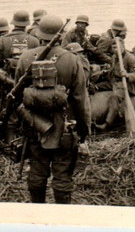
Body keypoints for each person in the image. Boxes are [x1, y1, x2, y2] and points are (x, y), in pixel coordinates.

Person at [15, 15, 91, 204]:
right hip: (64, 128)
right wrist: (83, 133)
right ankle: (62, 216)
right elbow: (80, 100)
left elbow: (17, 97)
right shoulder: (72, 60)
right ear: (61, 35)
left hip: (34, 127)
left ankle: (38, 212)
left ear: (39, 33)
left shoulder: (25, 58)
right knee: (63, 175)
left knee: (37, 172)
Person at [0, 10, 39, 142]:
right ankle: (28, 140)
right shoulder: (34, 40)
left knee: (9, 111)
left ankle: (10, 141)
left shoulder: (3, 41)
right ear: (26, 24)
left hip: (8, 82)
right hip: (28, 81)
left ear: (13, 23)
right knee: (28, 109)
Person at [95, 38, 135, 131]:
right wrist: (104, 72)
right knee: (97, 86)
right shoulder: (114, 57)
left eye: (116, 47)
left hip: (127, 84)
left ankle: (107, 124)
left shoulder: (130, 58)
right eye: (113, 48)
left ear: (122, 46)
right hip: (114, 82)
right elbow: (113, 70)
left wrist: (127, 75)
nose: (115, 50)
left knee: (114, 97)